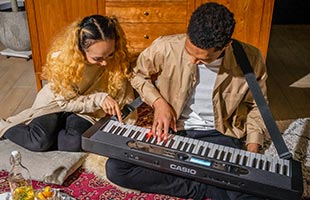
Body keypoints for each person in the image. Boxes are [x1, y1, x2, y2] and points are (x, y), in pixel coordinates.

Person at [106, 2, 268, 200]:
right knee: (117, 168)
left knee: (253, 190)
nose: (192, 61)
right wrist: (158, 102)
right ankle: (205, 187)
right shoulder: (166, 47)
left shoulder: (250, 58)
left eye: (202, 59)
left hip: (220, 135)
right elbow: (137, 75)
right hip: (173, 131)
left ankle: (208, 183)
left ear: (226, 46)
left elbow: (257, 106)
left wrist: (252, 149)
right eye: (189, 52)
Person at [0, 15, 137, 152]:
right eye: (97, 58)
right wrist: (99, 99)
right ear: (81, 49)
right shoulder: (60, 59)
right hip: (55, 104)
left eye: (110, 55)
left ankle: (53, 133)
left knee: (76, 143)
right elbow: (65, 103)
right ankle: (3, 126)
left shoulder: (118, 57)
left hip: (86, 110)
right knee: (39, 142)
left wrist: (128, 125)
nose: (105, 62)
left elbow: (125, 96)